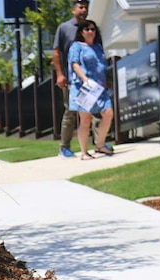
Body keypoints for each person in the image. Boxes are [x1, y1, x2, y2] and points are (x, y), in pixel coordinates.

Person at [68, 19, 114, 160]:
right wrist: (85, 79)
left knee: (108, 113)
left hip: (100, 88)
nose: (90, 32)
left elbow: (102, 65)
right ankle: (83, 152)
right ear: (81, 32)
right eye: (87, 29)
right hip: (85, 87)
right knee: (85, 120)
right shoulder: (76, 46)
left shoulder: (98, 47)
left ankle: (100, 144)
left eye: (93, 29)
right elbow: (74, 64)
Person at [52, 0, 89, 159]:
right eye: (81, 7)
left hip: (89, 78)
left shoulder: (90, 27)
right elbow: (56, 53)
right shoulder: (64, 28)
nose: (84, 10)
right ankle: (64, 147)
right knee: (71, 111)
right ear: (73, 10)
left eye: (86, 7)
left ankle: (99, 144)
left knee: (93, 109)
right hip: (72, 79)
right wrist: (60, 74)